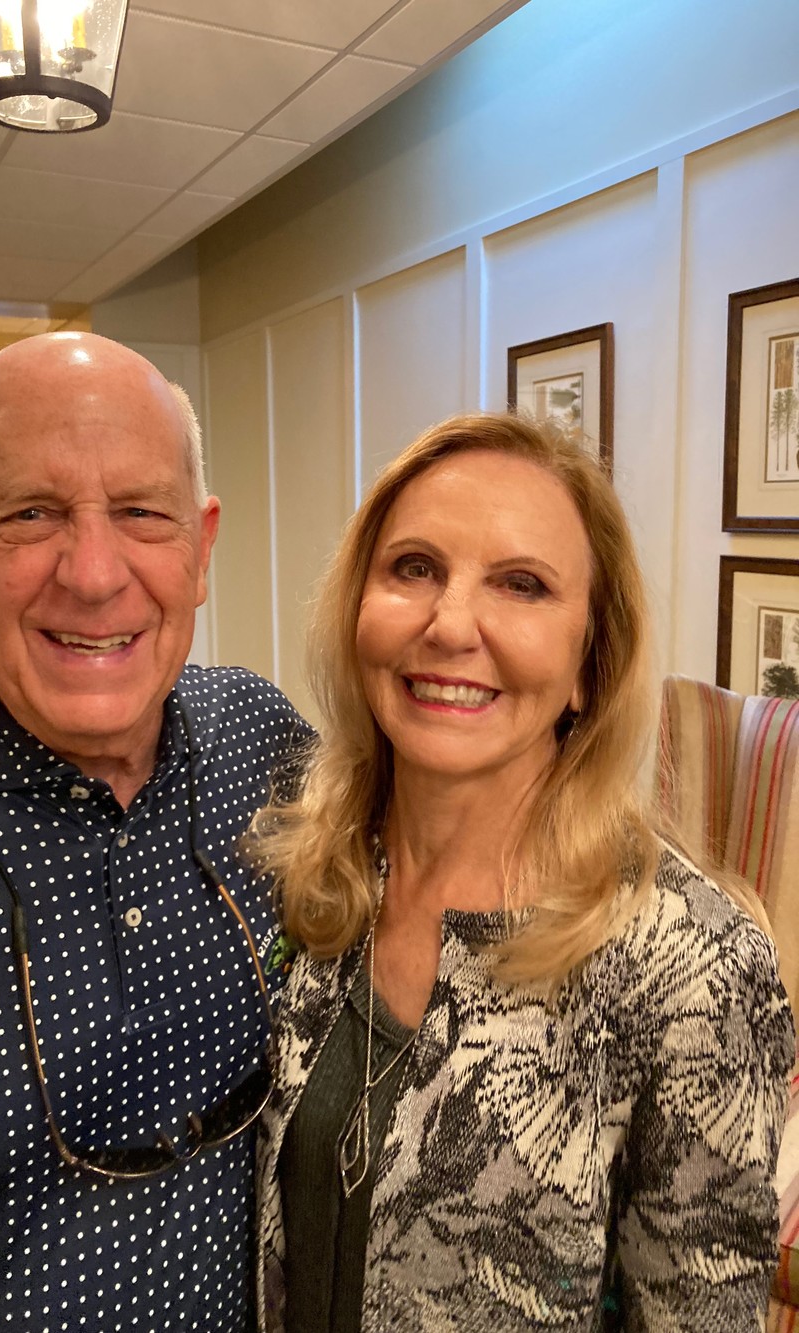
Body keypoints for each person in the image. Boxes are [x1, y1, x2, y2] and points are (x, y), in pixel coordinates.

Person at [0, 333, 310, 1330]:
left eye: (141, 512)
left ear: (201, 546)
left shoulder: (264, 745)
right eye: (31, 513)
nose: (93, 572)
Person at [249, 412, 795, 1332]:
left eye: (522, 584)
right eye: (414, 567)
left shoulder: (690, 963)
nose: (449, 624)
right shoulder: (310, 872)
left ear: (589, 662)